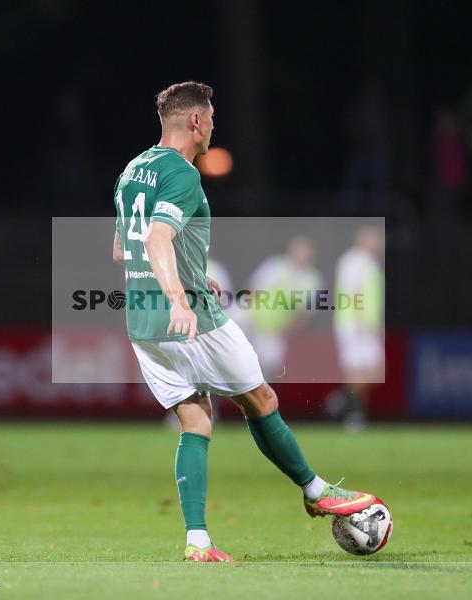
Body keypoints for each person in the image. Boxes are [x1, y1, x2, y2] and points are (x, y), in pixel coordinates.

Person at [112, 81, 376, 562]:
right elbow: (155, 241)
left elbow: (121, 248)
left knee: (195, 418)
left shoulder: (132, 170)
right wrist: (180, 297)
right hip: (185, 316)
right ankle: (317, 490)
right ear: (195, 121)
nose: (214, 125)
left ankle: (198, 542)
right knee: (261, 397)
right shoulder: (183, 173)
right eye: (211, 117)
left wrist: (190, 278)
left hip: (139, 321)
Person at [239, 236, 324, 380]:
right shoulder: (275, 265)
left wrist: (287, 329)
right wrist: (250, 314)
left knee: (268, 367)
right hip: (251, 321)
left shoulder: (313, 279)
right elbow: (252, 288)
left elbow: (304, 314)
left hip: (274, 332)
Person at [326, 225, 385, 430]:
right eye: (374, 239)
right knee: (360, 371)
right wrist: (360, 321)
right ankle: (351, 411)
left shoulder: (369, 263)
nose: (378, 243)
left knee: (372, 372)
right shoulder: (354, 261)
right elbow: (352, 292)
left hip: (366, 325)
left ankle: (345, 402)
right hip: (354, 324)